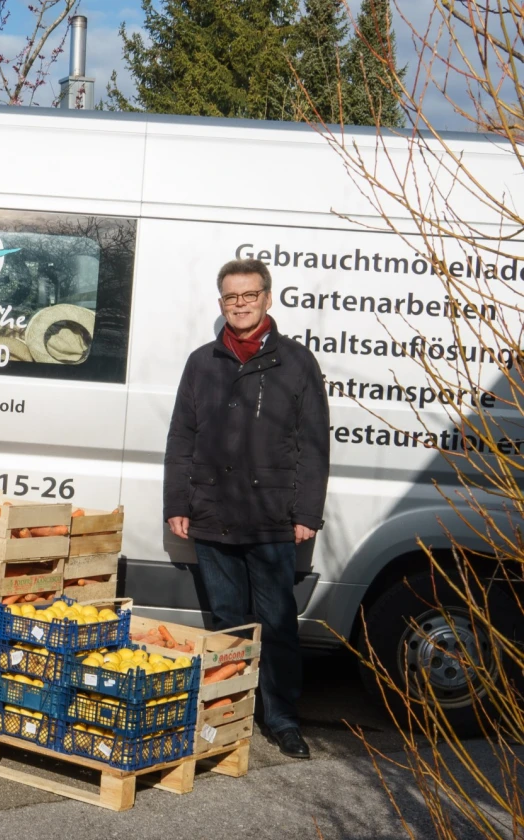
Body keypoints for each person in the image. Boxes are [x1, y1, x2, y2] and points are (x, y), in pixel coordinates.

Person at [163, 257, 330, 760]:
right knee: (229, 622)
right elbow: (181, 437)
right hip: (213, 515)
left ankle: (281, 718)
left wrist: (307, 513)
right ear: (221, 304)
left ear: (267, 298)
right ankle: (230, 711)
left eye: (249, 295)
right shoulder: (201, 361)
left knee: (277, 622)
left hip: (272, 517)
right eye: (231, 297)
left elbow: (314, 444)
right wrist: (177, 502)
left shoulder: (297, 362)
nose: (240, 305)